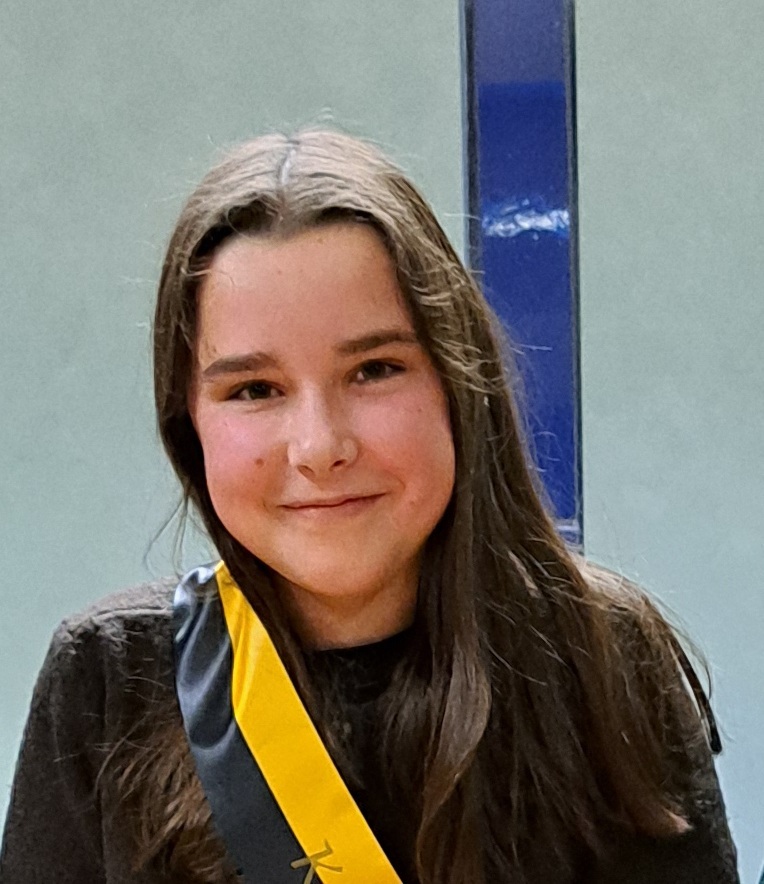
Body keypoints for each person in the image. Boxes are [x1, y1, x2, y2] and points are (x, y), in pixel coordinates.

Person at [0, 129, 739, 884]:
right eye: (254, 390)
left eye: (375, 370)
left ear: (459, 384)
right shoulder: (107, 679)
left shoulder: (603, 657)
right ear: (188, 420)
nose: (319, 446)